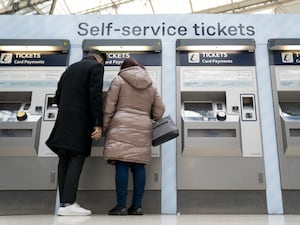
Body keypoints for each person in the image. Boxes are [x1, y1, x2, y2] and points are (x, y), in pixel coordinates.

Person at [46, 50, 106, 216]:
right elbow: (95, 96)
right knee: (76, 157)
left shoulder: (70, 68)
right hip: (80, 121)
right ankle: (70, 203)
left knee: (64, 158)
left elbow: (57, 97)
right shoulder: (96, 67)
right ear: (100, 59)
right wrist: (98, 123)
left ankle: (64, 203)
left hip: (63, 120)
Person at [103, 58, 165, 215]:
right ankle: (137, 206)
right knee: (139, 165)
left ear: (124, 68)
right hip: (143, 125)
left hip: (121, 123)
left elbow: (109, 105)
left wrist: (104, 126)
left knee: (122, 164)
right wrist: (148, 116)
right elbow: (159, 110)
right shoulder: (150, 84)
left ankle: (121, 206)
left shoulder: (119, 79)